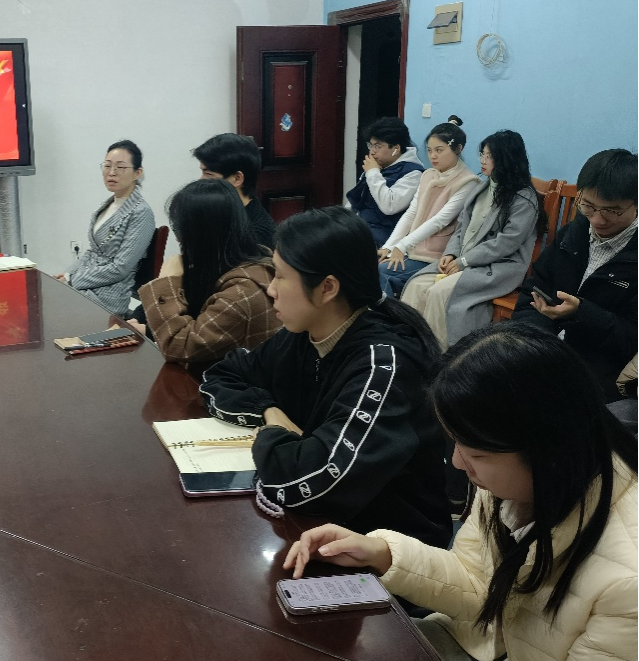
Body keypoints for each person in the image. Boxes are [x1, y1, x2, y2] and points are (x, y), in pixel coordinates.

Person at [284, 323, 638, 661]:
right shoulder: (519, 483)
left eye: (476, 453)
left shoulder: (627, 585)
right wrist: (380, 554)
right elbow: (480, 584)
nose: (457, 462)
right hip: (478, 642)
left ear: (547, 447)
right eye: (454, 442)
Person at [199, 207, 451, 548]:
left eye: (280, 276)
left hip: (386, 550)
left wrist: (271, 435)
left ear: (327, 288)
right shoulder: (303, 335)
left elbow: (315, 482)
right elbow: (221, 374)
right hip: (319, 530)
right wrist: (269, 411)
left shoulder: (384, 364)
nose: (271, 289)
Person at [513, 149, 637, 403]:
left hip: (599, 369)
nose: (597, 220)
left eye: (612, 211)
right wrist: (538, 344)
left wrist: (581, 312)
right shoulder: (574, 232)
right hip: (546, 349)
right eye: (588, 206)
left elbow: (630, 340)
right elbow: (532, 293)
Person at [401, 130, 540, 349]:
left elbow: (506, 243)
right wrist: (451, 253)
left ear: (505, 159)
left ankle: (442, 355)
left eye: (489, 156)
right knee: (416, 285)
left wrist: (464, 261)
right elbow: (460, 228)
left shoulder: (523, 197)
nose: (483, 160)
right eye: (482, 154)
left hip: (497, 266)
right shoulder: (481, 187)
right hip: (463, 261)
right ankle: (410, 348)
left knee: (439, 293)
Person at [131, 179, 280, 370]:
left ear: (200, 234)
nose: (178, 239)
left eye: (179, 229)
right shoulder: (224, 261)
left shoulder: (242, 292)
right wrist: (145, 327)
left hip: (225, 384)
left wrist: (166, 282)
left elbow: (180, 346)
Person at [377, 116, 480, 298]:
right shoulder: (428, 175)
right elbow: (411, 213)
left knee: (383, 271)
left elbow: (440, 220)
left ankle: (387, 315)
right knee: (373, 264)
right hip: (412, 249)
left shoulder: (468, 182)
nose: (433, 156)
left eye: (439, 150)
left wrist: (402, 246)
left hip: (435, 256)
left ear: (458, 148)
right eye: (430, 150)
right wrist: (390, 246)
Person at [57, 140, 155, 316]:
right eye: (107, 166)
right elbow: (93, 251)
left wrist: (73, 279)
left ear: (137, 173)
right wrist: (66, 274)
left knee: (50, 306)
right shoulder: (108, 205)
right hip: (89, 284)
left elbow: (121, 268)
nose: (111, 172)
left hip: (109, 294)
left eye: (120, 167)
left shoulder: (141, 212)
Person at [347, 117, 425, 247]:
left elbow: (390, 206)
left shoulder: (413, 173)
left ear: (396, 149)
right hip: (361, 228)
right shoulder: (376, 167)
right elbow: (355, 202)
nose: (372, 151)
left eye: (378, 146)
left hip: (385, 237)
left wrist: (373, 173)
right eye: (371, 145)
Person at [193, 133, 275, 248]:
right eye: (202, 172)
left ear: (237, 178)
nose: (201, 180)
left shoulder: (257, 234)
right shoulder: (220, 209)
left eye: (209, 174)